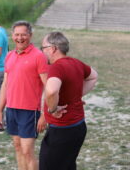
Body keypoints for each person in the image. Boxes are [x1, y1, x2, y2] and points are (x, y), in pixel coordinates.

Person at [39, 32, 98, 170]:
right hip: (78, 128)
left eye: (43, 48)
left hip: (61, 130)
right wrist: (76, 96)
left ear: (53, 49)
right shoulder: (75, 63)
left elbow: (51, 91)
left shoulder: (57, 67)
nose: (42, 52)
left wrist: (52, 109)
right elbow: (94, 76)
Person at [0, 21, 48, 170]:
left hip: (30, 111)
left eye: (23, 34)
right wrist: (0, 110)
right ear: (12, 36)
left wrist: (45, 114)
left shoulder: (39, 56)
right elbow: (5, 84)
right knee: (18, 147)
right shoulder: (9, 55)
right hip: (11, 109)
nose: (20, 38)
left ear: (30, 35)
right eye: (17, 34)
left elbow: (48, 87)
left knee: (27, 152)